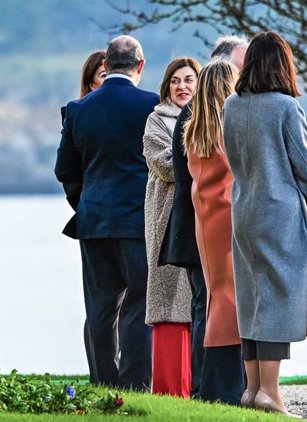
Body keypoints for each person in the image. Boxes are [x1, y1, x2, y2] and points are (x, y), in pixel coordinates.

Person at [223, 31, 307, 417]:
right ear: (281, 64)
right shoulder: (285, 106)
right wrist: (303, 202)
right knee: (280, 299)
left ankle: (250, 390)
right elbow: (304, 162)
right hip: (279, 212)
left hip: (243, 208)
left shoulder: (232, 104)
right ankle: (271, 393)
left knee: (251, 297)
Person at [54, 35, 159, 390]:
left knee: (100, 308)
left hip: (94, 221)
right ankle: (134, 385)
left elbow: (65, 169)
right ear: (140, 65)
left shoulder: (79, 108)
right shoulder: (152, 106)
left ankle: (103, 383)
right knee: (138, 304)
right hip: (137, 221)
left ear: (108, 63)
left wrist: (85, 203)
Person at [159, 34, 248, 401]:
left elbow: (181, 176)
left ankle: (201, 385)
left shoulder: (188, 120)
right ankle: (219, 385)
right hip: (215, 225)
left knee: (203, 306)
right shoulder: (226, 123)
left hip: (191, 225)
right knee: (220, 307)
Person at [182, 59, 245, 405]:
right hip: (231, 215)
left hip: (206, 217)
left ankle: (212, 381)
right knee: (230, 299)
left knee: (216, 295)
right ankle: (229, 383)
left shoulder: (195, 129)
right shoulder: (229, 129)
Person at [143, 57, 201, 397]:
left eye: (189, 80)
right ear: (167, 86)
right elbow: (164, 164)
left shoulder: (208, 116)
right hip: (166, 218)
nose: (182, 87)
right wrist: (199, 159)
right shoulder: (156, 120)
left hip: (202, 215)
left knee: (198, 301)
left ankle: (199, 383)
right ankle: (169, 389)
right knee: (169, 300)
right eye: (176, 81)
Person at [58, 49, 107, 385]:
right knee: (100, 305)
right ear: (90, 81)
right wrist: (83, 203)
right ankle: (102, 375)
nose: (107, 79)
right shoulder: (77, 114)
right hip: (93, 218)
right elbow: (67, 170)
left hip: (118, 217)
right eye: (102, 75)